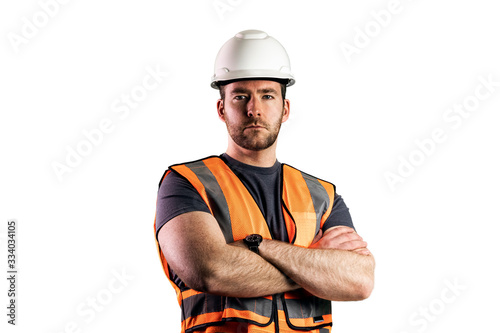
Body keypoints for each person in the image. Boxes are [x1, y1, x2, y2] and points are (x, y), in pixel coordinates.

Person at [154, 29, 375, 333]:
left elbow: (360, 280)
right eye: (240, 96)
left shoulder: (322, 194)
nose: (253, 109)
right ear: (222, 109)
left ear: (285, 109)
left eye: (267, 96)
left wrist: (259, 248)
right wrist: (318, 262)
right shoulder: (186, 183)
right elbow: (210, 270)